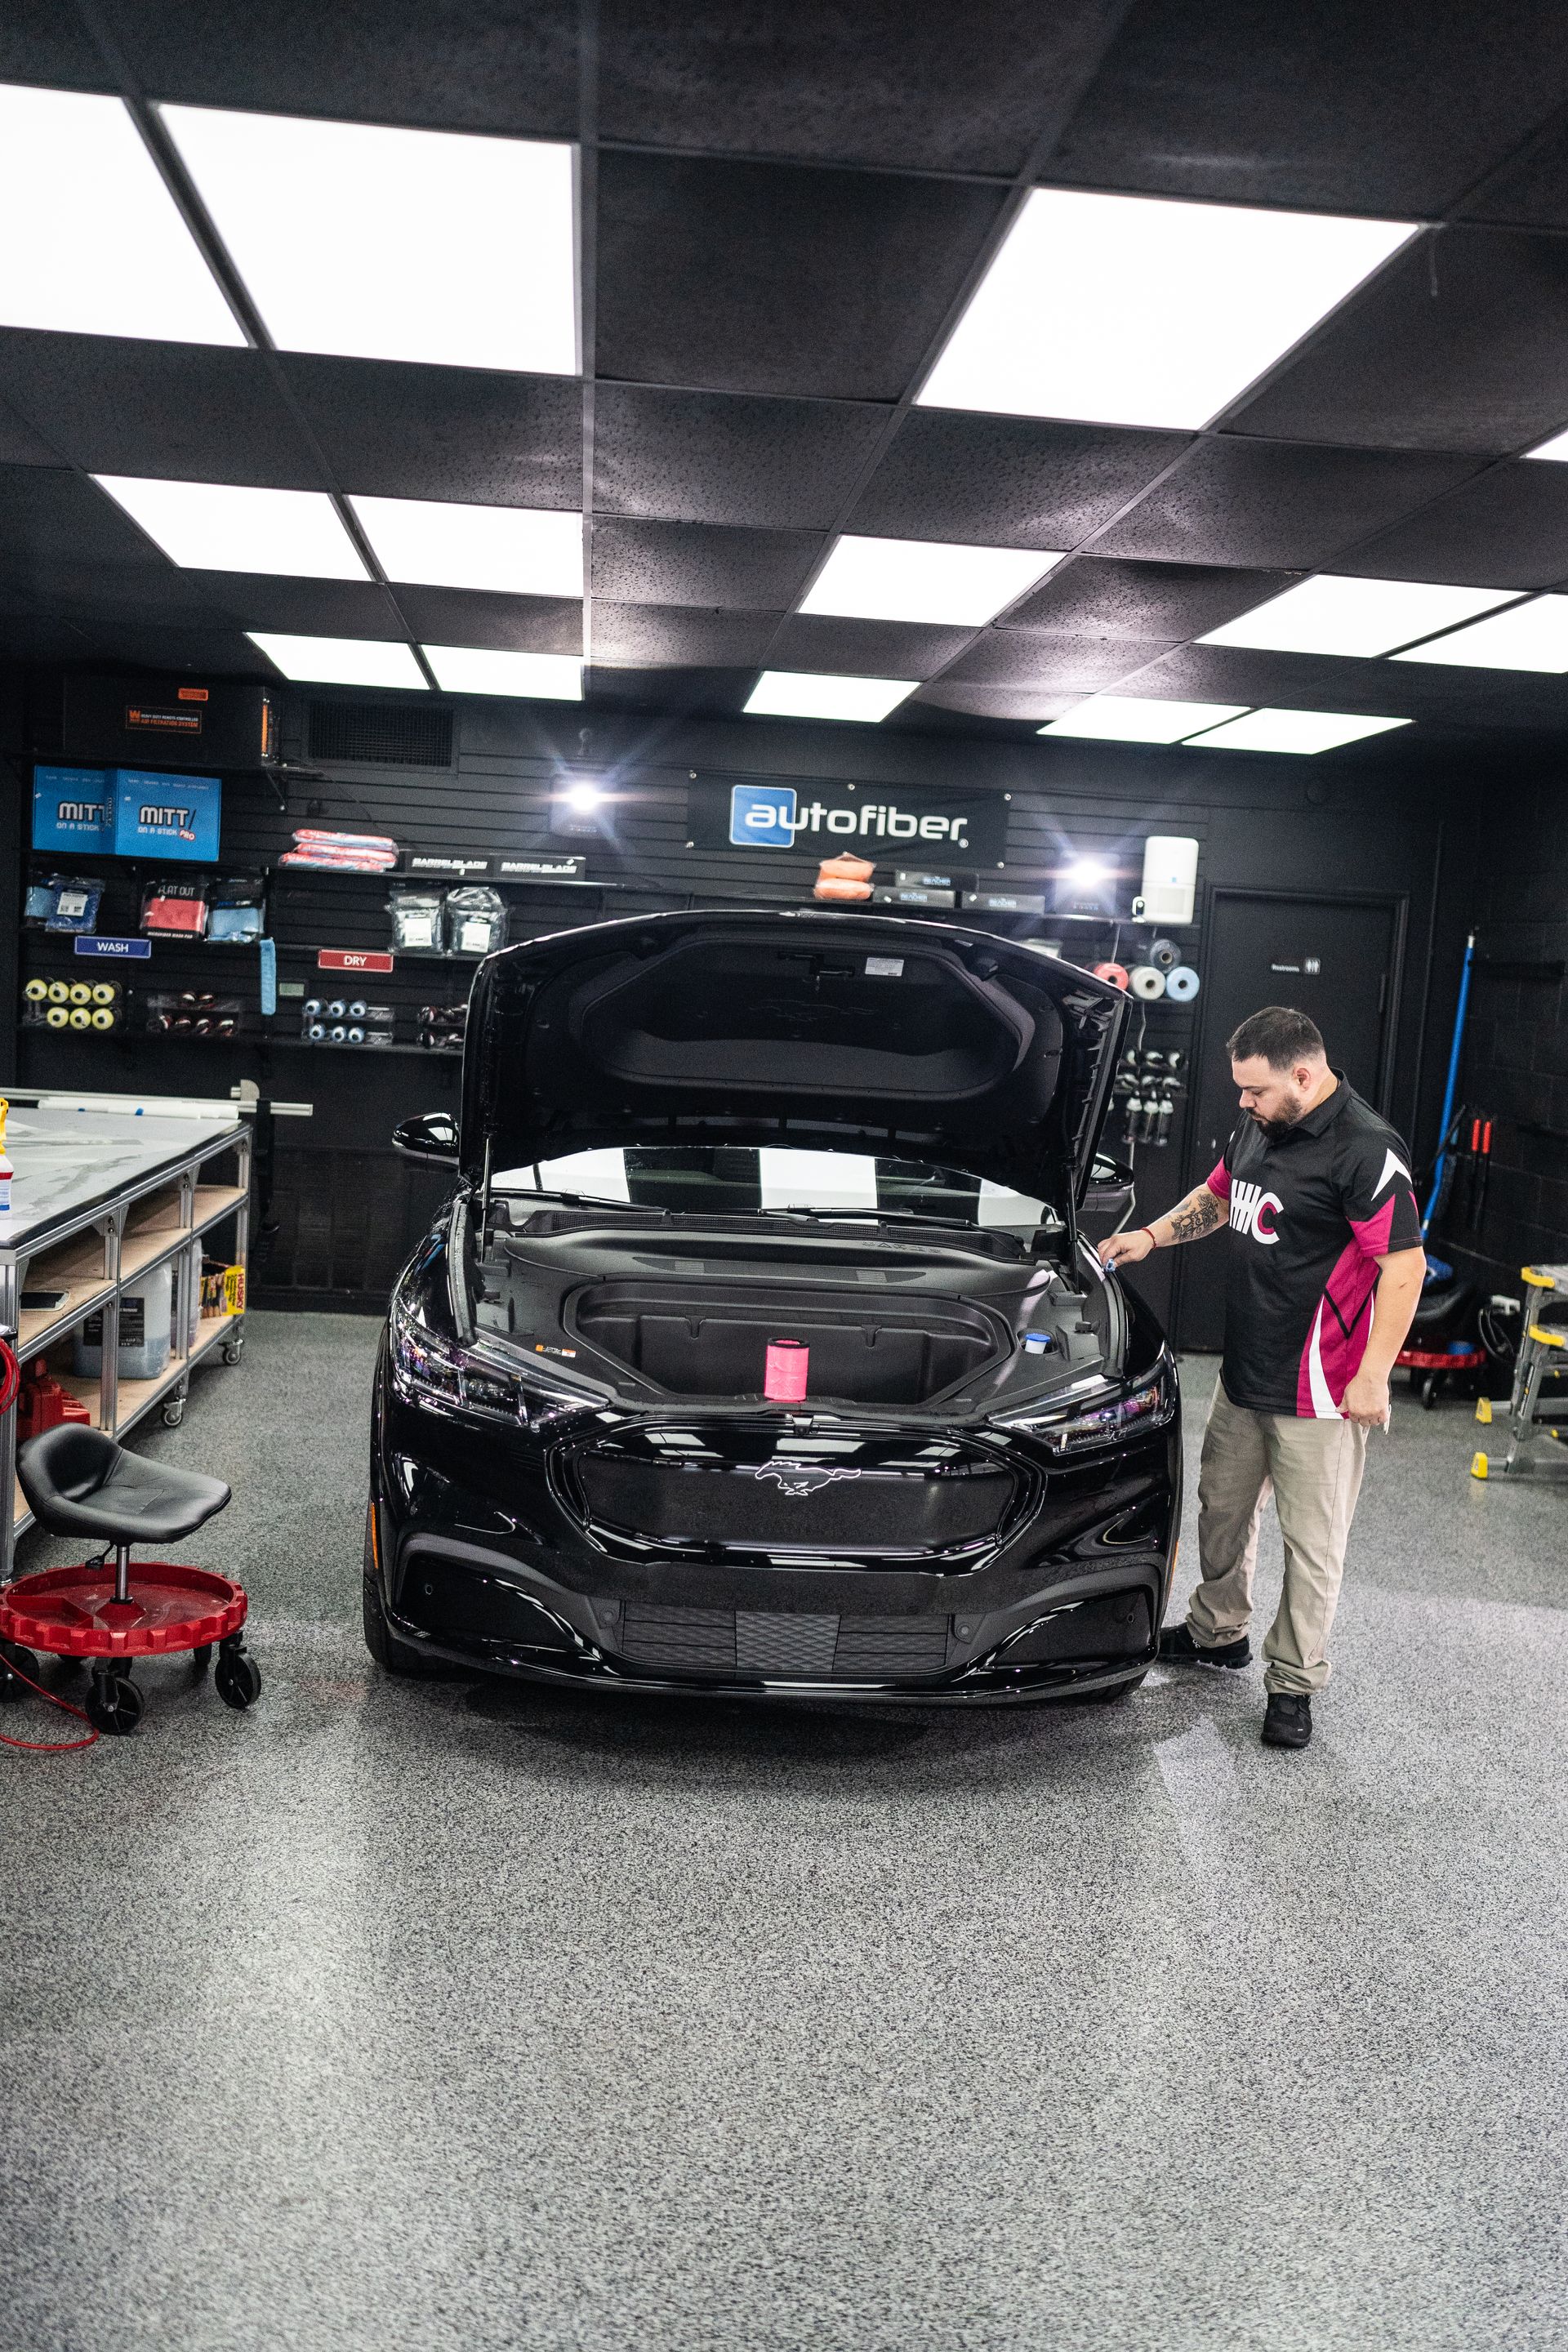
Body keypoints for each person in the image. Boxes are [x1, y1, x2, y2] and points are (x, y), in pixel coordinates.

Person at [1099, 1006, 1425, 1750]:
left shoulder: (1366, 1150)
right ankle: (1219, 1633)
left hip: (1322, 1388)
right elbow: (1219, 1195)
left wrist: (1376, 1375)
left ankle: (1294, 1683)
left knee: (1312, 1545)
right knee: (1222, 1509)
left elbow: (1404, 1269)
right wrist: (1152, 1234)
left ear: (1303, 1076)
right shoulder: (1261, 1125)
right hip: (1246, 1370)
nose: (1241, 1103)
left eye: (1254, 1089)